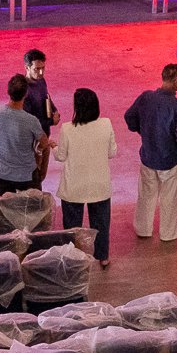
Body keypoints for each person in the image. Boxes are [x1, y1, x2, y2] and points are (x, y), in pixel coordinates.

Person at [124, 63, 177, 242]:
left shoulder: (146, 97)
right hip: (169, 159)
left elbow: (129, 117)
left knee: (146, 195)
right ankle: (168, 234)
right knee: (169, 198)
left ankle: (143, 229)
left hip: (148, 156)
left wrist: (142, 130)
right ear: (176, 81)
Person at [55, 87, 116, 268]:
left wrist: (52, 148)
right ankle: (103, 256)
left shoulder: (67, 129)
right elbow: (112, 152)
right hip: (99, 185)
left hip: (74, 186)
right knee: (101, 224)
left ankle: (73, 256)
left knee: (73, 226)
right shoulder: (106, 124)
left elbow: (61, 156)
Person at [0, 73, 50, 193]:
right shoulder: (31, 120)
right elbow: (44, 144)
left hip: (1, 176)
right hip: (27, 178)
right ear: (26, 94)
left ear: (8, 91)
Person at [20, 48, 59, 133]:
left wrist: (55, 110)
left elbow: (46, 96)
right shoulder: (24, 91)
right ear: (27, 67)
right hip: (33, 138)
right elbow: (29, 122)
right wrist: (51, 122)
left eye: (43, 68)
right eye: (36, 69)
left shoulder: (41, 80)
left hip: (44, 133)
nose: (41, 72)